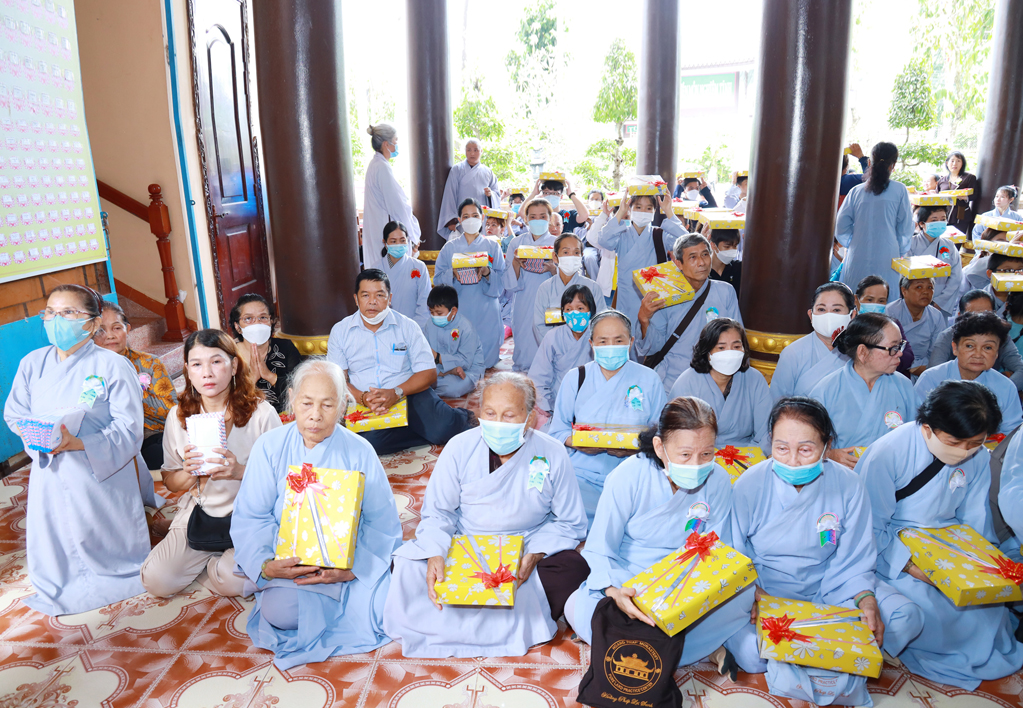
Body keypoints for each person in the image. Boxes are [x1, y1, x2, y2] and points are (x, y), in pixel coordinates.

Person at [727, 397, 921, 706]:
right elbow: (734, 553)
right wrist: (754, 594)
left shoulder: (849, 484)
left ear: (827, 445)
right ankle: (838, 653)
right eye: (781, 448)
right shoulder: (749, 484)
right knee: (753, 654)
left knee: (905, 617)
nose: (792, 461)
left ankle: (824, 651)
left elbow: (855, 556)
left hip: (831, 584)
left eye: (805, 450)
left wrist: (865, 599)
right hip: (766, 589)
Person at [383, 373, 589, 657]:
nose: (498, 423)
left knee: (573, 568)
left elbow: (570, 521)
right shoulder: (459, 447)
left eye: (509, 415)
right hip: (465, 545)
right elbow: (439, 512)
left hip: (524, 547)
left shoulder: (552, 452)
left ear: (529, 417)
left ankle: (450, 622)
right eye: (490, 413)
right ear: (478, 411)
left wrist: (535, 554)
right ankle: (504, 620)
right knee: (405, 565)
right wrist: (436, 552)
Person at [231, 359, 402, 669]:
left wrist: (352, 569)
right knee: (281, 612)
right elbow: (252, 515)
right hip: (293, 567)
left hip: (350, 565)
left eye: (327, 405)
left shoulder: (360, 450)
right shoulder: (269, 446)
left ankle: (344, 596)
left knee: (390, 608)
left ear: (342, 406)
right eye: (307, 403)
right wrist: (269, 565)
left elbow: (382, 521)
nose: (315, 415)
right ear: (292, 399)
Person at [566, 397, 751, 674]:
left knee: (742, 597)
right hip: (630, 579)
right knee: (579, 606)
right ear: (660, 447)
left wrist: (695, 594)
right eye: (685, 455)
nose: (696, 465)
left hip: (688, 582)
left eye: (707, 454)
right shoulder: (628, 475)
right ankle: (692, 647)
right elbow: (600, 547)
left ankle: (638, 641)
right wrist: (615, 592)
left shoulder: (719, 479)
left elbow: (719, 548)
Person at [858, 381, 1023, 689]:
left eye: (975, 442)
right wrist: (913, 567)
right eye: (955, 441)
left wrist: (976, 565)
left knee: (985, 605)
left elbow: (974, 519)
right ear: (928, 427)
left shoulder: (978, 457)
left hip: (948, 541)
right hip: (894, 543)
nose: (964, 451)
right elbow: (869, 526)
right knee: (933, 604)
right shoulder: (887, 452)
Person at [4, 284, 149, 615]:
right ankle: (61, 579)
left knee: (100, 541)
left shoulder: (112, 365)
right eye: (51, 312)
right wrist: (36, 435)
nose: (57, 320)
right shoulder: (32, 363)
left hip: (98, 471)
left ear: (93, 323)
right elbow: (15, 413)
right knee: (58, 541)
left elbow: (129, 429)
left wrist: (79, 443)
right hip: (49, 466)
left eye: (68, 312)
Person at [140, 329, 281, 599]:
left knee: (234, 583)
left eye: (216, 361)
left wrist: (240, 472)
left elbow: (284, 478)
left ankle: (214, 561)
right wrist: (188, 472)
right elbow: (171, 481)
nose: (207, 373)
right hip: (201, 513)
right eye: (197, 364)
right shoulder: (179, 416)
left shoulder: (261, 414)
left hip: (252, 516)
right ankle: (206, 553)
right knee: (157, 582)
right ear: (187, 370)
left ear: (234, 365)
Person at [326, 270, 476, 455]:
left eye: (379, 295)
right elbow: (337, 379)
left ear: (390, 298)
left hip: (408, 393)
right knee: (369, 444)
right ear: (356, 299)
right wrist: (363, 398)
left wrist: (396, 392)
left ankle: (454, 418)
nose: (372, 301)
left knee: (444, 429)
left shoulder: (408, 326)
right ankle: (420, 427)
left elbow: (429, 373)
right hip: (363, 399)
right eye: (365, 295)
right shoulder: (340, 331)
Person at [548, 310, 667, 525]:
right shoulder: (576, 378)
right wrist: (578, 443)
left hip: (633, 474)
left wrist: (634, 448)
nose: (610, 346)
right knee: (565, 514)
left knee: (643, 521)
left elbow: (662, 436)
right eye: (603, 341)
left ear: (630, 342)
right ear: (591, 344)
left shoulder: (649, 379)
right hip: (582, 475)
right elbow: (557, 432)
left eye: (618, 341)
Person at [809, 314, 918, 468]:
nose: (900, 353)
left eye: (900, 345)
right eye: (893, 348)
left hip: (893, 475)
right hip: (842, 476)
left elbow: (917, 437)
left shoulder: (904, 385)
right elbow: (806, 444)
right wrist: (829, 455)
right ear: (862, 352)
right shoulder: (825, 391)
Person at [636, 233, 743, 391]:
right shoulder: (665, 295)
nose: (701, 262)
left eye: (705, 255)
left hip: (714, 380)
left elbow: (737, 338)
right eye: (693, 257)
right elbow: (653, 347)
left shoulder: (725, 292)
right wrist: (644, 320)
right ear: (678, 263)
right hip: (673, 381)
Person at [94, 300, 177, 475]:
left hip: (150, 435)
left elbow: (170, 410)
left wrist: (134, 393)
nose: (110, 336)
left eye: (117, 328)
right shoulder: (89, 369)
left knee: (161, 452)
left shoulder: (149, 363)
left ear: (128, 329)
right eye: (101, 330)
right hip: (110, 441)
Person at [668, 319, 771, 448]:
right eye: (721, 348)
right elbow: (676, 434)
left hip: (747, 454)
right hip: (700, 453)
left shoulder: (755, 379)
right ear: (707, 352)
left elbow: (765, 434)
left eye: (736, 347)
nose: (730, 353)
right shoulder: (687, 382)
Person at [914, 312, 1022, 434]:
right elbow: (916, 425)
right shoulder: (931, 378)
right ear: (955, 348)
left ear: (997, 352)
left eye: (988, 347)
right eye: (970, 346)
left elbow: (1012, 433)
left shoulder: (1006, 387)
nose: (978, 354)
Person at [434, 198, 507, 368]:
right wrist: (452, 273)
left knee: (486, 360)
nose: (470, 219)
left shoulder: (492, 246)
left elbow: (502, 279)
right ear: (459, 220)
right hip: (459, 307)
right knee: (461, 354)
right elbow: (437, 279)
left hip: (486, 307)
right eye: (466, 216)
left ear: (482, 218)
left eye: (475, 215)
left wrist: (487, 272)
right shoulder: (449, 248)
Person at [836, 141, 914, 296]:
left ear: (870, 162)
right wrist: (899, 248)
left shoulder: (856, 191)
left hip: (857, 254)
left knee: (856, 296)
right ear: (893, 165)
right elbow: (905, 228)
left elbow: (841, 226)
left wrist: (854, 241)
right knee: (884, 297)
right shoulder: (900, 190)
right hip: (888, 255)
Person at [596, 193, 684, 325]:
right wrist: (620, 212)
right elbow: (603, 240)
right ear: (630, 209)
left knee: (652, 333)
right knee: (627, 331)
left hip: (653, 296)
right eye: (638, 207)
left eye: (649, 208)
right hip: (627, 297)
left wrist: (668, 211)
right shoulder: (621, 234)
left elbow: (685, 241)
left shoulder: (660, 235)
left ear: (654, 211)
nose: (643, 211)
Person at [928, 289, 1023, 392]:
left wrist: (1000, 392)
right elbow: (934, 373)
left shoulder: (999, 336)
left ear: (995, 315)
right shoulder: (947, 336)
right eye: (969, 346)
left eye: (987, 347)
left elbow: (1021, 370)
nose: (980, 321)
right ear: (960, 316)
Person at [771, 283, 854, 400]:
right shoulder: (792, 353)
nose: (828, 315)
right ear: (811, 315)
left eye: (836, 310)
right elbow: (778, 402)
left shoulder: (859, 352)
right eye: (821, 309)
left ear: (852, 315)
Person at [528, 284, 598, 417]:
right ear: (563, 313)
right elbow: (538, 377)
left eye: (580, 308)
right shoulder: (553, 336)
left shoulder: (599, 336)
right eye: (569, 309)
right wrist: (548, 408)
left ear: (591, 310)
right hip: (559, 403)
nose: (574, 313)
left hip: (593, 402)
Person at [505, 197, 558, 371]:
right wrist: (516, 263)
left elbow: (567, 278)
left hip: (548, 300)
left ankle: (547, 371)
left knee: (547, 338)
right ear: (526, 219)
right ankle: (522, 370)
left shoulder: (557, 244)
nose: (537, 220)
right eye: (533, 217)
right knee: (524, 336)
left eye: (542, 216)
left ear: (550, 218)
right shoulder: (516, 243)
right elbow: (510, 283)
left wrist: (553, 269)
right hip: (523, 299)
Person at [228, 294, 303, 413]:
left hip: (284, 417)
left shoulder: (286, 347)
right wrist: (252, 378)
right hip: (245, 418)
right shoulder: (229, 355)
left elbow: (301, 391)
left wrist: (269, 375)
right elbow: (227, 401)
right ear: (237, 326)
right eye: (248, 318)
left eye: (263, 317)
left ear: (271, 321)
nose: (257, 323)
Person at [362, 122, 421, 272]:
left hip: (377, 230)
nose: (397, 144)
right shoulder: (382, 168)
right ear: (386, 144)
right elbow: (397, 206)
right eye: (395, 141)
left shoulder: (375, 164)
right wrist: (412, 235)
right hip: (385, 233)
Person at [531, 232, 606, 346]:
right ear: (555, 257)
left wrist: (582, 347)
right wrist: (555, 348)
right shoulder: (545, 288)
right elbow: (539, 325)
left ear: (581, 256)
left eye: (576, 252)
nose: (571, 257)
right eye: (566, 252)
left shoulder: (593, 288)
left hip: (586, 348)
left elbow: (600, 322)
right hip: (555, 349)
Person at [422, 284, 485, 399]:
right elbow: (425, 353)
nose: (434, 316)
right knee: (413, 375)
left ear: (453, 311)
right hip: (438, 369)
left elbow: (466, 361)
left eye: (439, 313)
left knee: (452, 388)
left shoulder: (466, 328)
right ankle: (445, 373)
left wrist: (438, 357)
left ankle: (430, 384)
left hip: (467, 370)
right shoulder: (430, 324)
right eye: (431, 312)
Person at [437, 138, 501, 240]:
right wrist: (451, 220)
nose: (472, 153)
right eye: (469, 150)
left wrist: (491, 195)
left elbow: (497, 195)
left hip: (481, 218)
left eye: (475, 150)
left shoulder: (488, 172)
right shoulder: (457, 170)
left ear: (481, 151)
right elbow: (450, 195)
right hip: (462, 218)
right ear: (465, 151)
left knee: (481, 244)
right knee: (463, 243)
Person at [854, 275, 916, 378]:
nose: (875, 304)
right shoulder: (849, 325)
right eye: (869, 300)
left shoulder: (892, 325)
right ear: (856, 300)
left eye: (881, 301)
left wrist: (878, 364)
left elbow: (907, 356)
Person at [908, 205, 963, 316]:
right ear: (922, 223)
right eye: (934, 220)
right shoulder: (910, 244)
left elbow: (956, 276)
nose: (939, 223)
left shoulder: (949, 245)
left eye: (943, 219)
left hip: (940, 301)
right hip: (913, 299)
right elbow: (903, 274)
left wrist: (940, 302)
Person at [885, 277, 946, 376]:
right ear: (904, 291)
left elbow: (938, 350)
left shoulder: (936, 316)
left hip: (927, 368)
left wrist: (927, 368)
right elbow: (887, 347)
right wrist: (912, 367)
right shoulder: (890, 312)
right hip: (894, 366)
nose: (925, 292)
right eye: (919, 287)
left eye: (930, 287)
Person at [378, 221, 431, 327]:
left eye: (402, 240)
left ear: (407, 241)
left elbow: (425, 303)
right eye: (393, 241)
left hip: (414, 328)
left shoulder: (419, 267)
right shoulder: (376, 268)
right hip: (383, 328)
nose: (398, 244)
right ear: (385, 243)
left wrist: (412, 329)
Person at [521, 174, 591, 233]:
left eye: (555, 193)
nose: (551, 196)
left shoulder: (567, 215)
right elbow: (522, 212)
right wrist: (534, 193)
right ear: (542, 195)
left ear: (561, 196)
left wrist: (571, 194)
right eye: (547, 193)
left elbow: (584, 215)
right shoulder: (539, 215)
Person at [936, 150, 978, 235]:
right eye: (952, 161)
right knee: (943, 239)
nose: (955, 164)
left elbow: (975, 195)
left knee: (957, 239)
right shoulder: (942, 180)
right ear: (947, 163)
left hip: (961, 215)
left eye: (958, 161)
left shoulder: (969, 178)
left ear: (962, 163)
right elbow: (936, 198)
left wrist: (962, 197)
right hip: (944, 215)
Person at [961, 227, 1010, 292]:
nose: (1006, 248)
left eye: (1010, 244)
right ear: (986, 245)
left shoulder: (1017, 270)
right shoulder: (968, 270)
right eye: (1001, 243)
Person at [985, 253, 1023, 318]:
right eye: (1007, 270)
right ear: (990, 274)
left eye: (1020, 270)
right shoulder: (979, 298)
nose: (1015, 274)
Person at [707, 227, 742, 295]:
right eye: (727, 247)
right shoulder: (703, 271)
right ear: (713, 245)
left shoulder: (739, 268)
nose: (731, 250)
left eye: (735, 246)